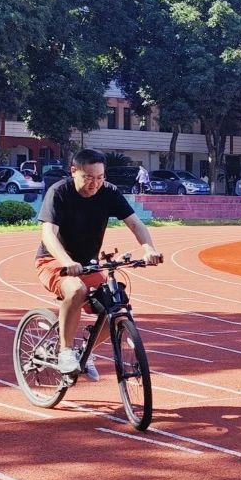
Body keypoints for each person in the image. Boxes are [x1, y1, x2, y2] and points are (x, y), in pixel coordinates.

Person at [36, 148, 162, 377]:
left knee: (118, 306)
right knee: (76, 290)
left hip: (89, 265)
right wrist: (67, 261)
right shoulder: (59, 192)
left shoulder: (109, 192)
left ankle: (85, 351)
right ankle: (65, 351)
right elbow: (48, 234)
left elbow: (135, 224)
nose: (95, 183)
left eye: (100, 177)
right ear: (73, 171)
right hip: (54, 261)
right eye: (88, 177)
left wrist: (149, 249)